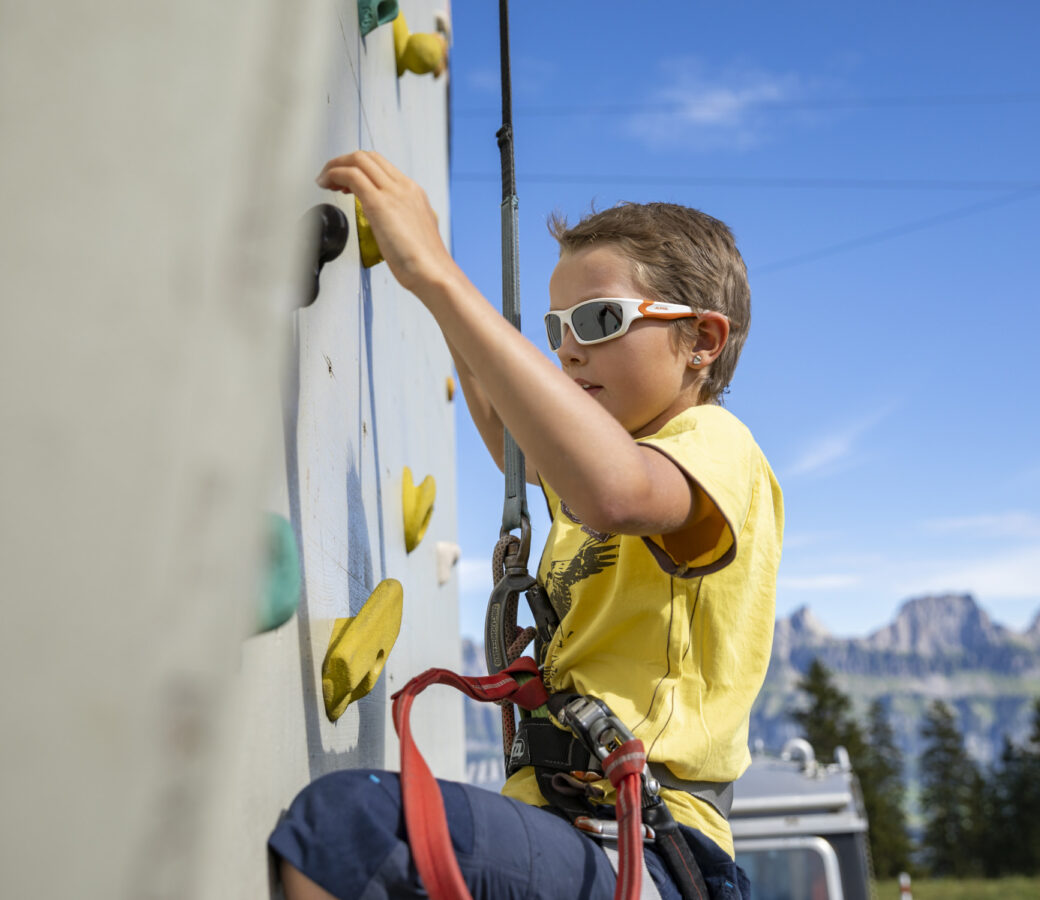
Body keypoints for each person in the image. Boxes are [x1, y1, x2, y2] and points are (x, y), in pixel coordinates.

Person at [270, 151, 784, 900]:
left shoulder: (711, 445)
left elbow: (614, 489)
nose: (569, 346)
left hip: (647, 841)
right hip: (576, 824)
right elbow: (515, 429)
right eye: (556, 326)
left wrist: (438, 272)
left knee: (356, 829)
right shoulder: (597, 485)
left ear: (702, 341)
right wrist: (443, 296)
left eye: (600, 319)